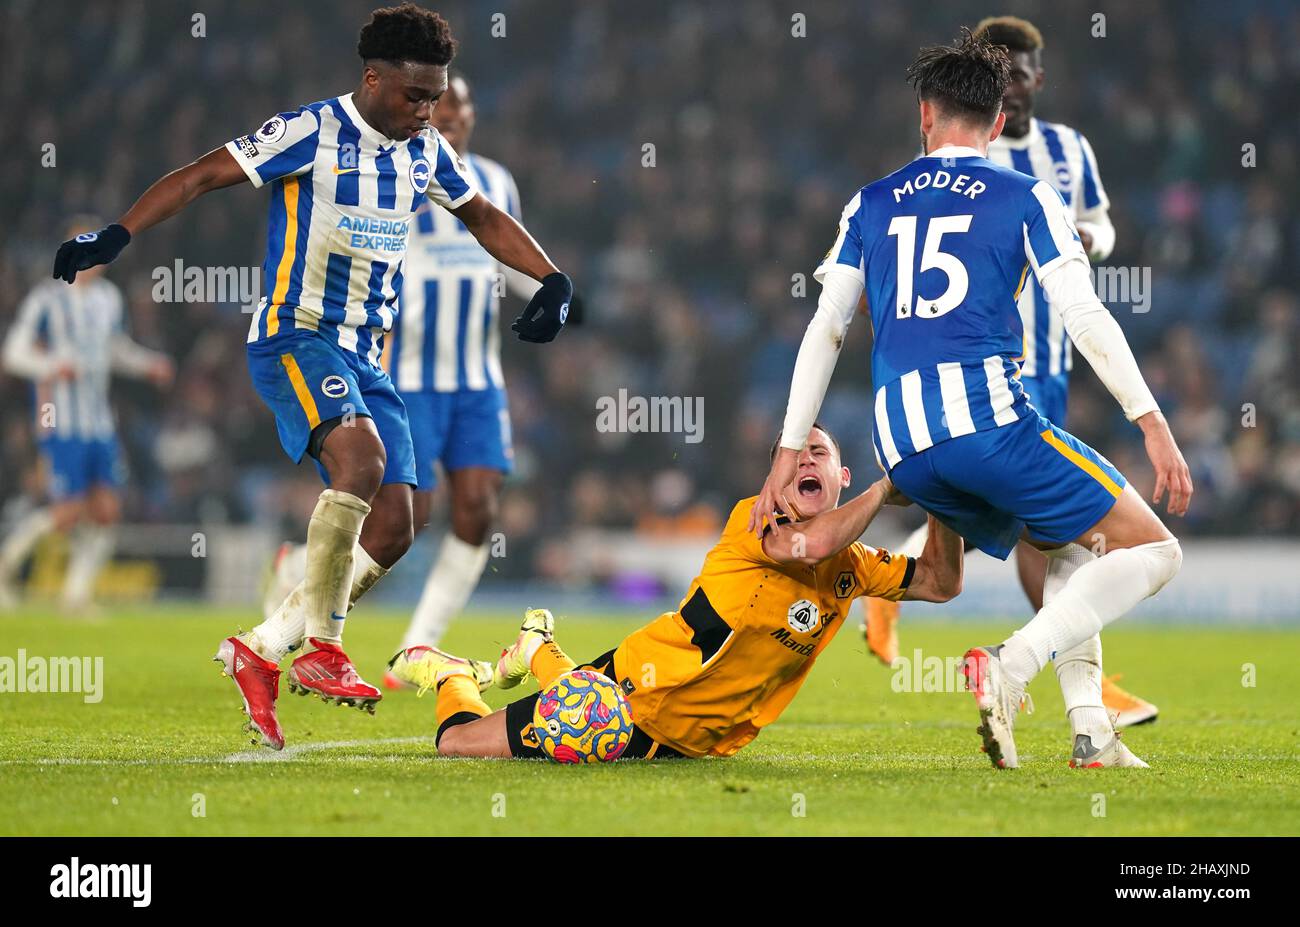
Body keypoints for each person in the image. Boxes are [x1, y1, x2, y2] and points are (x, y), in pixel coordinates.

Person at [50, 4, 575, 750]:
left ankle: (261, 648)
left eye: (436, 98)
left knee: (397, 526)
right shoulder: (310, 130)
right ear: (373, 78)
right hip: (294, 335)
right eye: (414, 96)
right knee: (360, 459)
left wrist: (551, 278)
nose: (427, 112)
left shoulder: (423, 150)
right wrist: (116, 234)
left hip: (367, 354)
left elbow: (482, 215)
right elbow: (202, 175)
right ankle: (324, 650)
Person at [753, 31, 1191, 769]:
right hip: (988, 423)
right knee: (1153, 547)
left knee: (1069, 547)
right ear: (994, 124)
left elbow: (826, 328)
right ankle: (1009, 666)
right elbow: (1084, 314)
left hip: (902, 448)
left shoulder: (869, 203)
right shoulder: (1026, 195)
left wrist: (786, 451)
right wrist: (1152, 421)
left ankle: (1091, 733)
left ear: (925, 116)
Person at [862, 15, 1158, 730]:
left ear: (1037, 79)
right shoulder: (955, 162)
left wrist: (1088, 237)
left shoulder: (1066, 150)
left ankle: (1077, 698)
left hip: (1048, 361)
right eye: (1009, 74)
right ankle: (1059, 677)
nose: (1019, 84)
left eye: (1027, 72)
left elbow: (1105, 225)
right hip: (985, 368)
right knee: (1055, 528)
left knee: (1041, 526)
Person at [386, 424, 965, 760]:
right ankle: (454, 676)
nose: (806, 461)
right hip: (628, 696)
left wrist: (947, 490)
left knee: (579, 716)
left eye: (820, 453)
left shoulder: (856, 566)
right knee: (458, 746)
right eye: (794, 458)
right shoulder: (756, 522)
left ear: (840, 476)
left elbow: (941, 582)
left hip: (694, 741)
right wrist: (888, 485)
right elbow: (810, 547)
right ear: (773, 482)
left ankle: (536, 646)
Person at [258, 74, 539, 687]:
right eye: (442, 108)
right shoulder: (397, 171)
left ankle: (418, 643)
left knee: (479, 508)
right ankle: (301, 580)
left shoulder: (493, 183)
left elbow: (501, 254)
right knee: (410, 513)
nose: (450, 118)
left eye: (459, 107)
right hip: (407, 369)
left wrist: (552, 287)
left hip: (476, 376)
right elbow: (363, 258)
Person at [0, 216, 173, 612]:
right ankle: (6, 565)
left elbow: (114, 350)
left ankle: (76, 596)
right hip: (60, 418)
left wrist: (148, 365)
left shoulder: (108, 299)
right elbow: (13, 352)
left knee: (108, 511)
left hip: (99, 420)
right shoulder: (46, 298)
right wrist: (51, 366)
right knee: (67, 513)